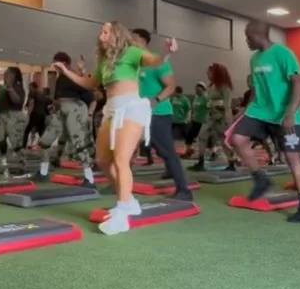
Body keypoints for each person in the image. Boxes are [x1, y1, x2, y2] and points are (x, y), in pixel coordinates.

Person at [52, 21, 176, 234]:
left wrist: (166, 52)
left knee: (120, 159)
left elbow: (155, 61)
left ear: (116, 34)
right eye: (101, 31)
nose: (101, 35)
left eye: (106, 31)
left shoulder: (133, 52)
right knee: (102, 160)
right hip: (111, 109)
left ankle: (122, 212)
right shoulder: (105, 61)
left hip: (131, 108)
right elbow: (89, 83)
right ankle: (128, 201)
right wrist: (65, 71)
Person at [230, 21, 300, 222]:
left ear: (256, 35)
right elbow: (257, 90)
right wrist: (244, 111)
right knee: (237, 139)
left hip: (286, 113)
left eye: (247, 37)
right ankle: (261, 179)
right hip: (260, 112)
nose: (246, 41)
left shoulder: (284, 53)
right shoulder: (254, 59)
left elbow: (299, 84)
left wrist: (291, 113)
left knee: (292, 158)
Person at [131, 28, 193, 200]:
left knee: (166, 151)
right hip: (136, 112)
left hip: (157, 113)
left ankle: (183, 190)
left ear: (143, 41)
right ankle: (119, 185)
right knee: (126, 148)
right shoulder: (134, 64)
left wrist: (155, 101)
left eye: (133, 39)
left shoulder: (156, 62)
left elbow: (171, 86)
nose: (130, 43)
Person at [36, 52, 96, 184]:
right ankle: (43, 172)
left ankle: (89, 178)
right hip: (61, 109)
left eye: (57, 63)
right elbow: (59, 97)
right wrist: (55, 104)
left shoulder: (74, 75)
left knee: (78, 144)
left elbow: (91, 95)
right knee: (44, 142)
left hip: (75, 108)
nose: (55, 66)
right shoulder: (60, 78)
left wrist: (90, 114)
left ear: (64, 64)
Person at [0, 66, 29, 178]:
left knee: (16, 145)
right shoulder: (4, 89)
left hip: (14, 116)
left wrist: (10, 89)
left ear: (14, 76)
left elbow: (18, 101)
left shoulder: (17, 87)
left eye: (8, 74)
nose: (5, 76)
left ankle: (23, 168)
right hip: (2, 116)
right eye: (5, 74)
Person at [190, 63, 234, 172]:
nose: (208, 75)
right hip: (211, 116)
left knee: (224, 140)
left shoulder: (224, 86)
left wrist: (228, 120)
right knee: (202, 136)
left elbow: (227, 104)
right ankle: (200, 162)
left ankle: (231, 163)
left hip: (221, 117)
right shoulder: (212, 86)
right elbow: (210, 102)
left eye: (210, 73)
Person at [183, 82, 207, 159]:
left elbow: (210, 108)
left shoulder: (206, 98)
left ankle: (212, 152)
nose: (197, 91)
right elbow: (193, 108)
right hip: (195, 121)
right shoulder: (196, 98)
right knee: (189, 136)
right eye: (196, 89)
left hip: (203, 122)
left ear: (203, 90)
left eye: (199, 90)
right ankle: (189, 150)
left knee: (204, 139)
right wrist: (191, 117)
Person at [23, 80, 48, 148]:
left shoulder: (33, 92)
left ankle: (25, 145)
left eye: (29, 87)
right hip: (42, 115)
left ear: (32, 87)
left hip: (35, 114)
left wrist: (28, 115)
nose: (29, 89)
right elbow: (49, 104)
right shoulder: (42, 94)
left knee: (27, 130)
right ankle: (44, 146)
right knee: (40, 131)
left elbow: (31, 103)